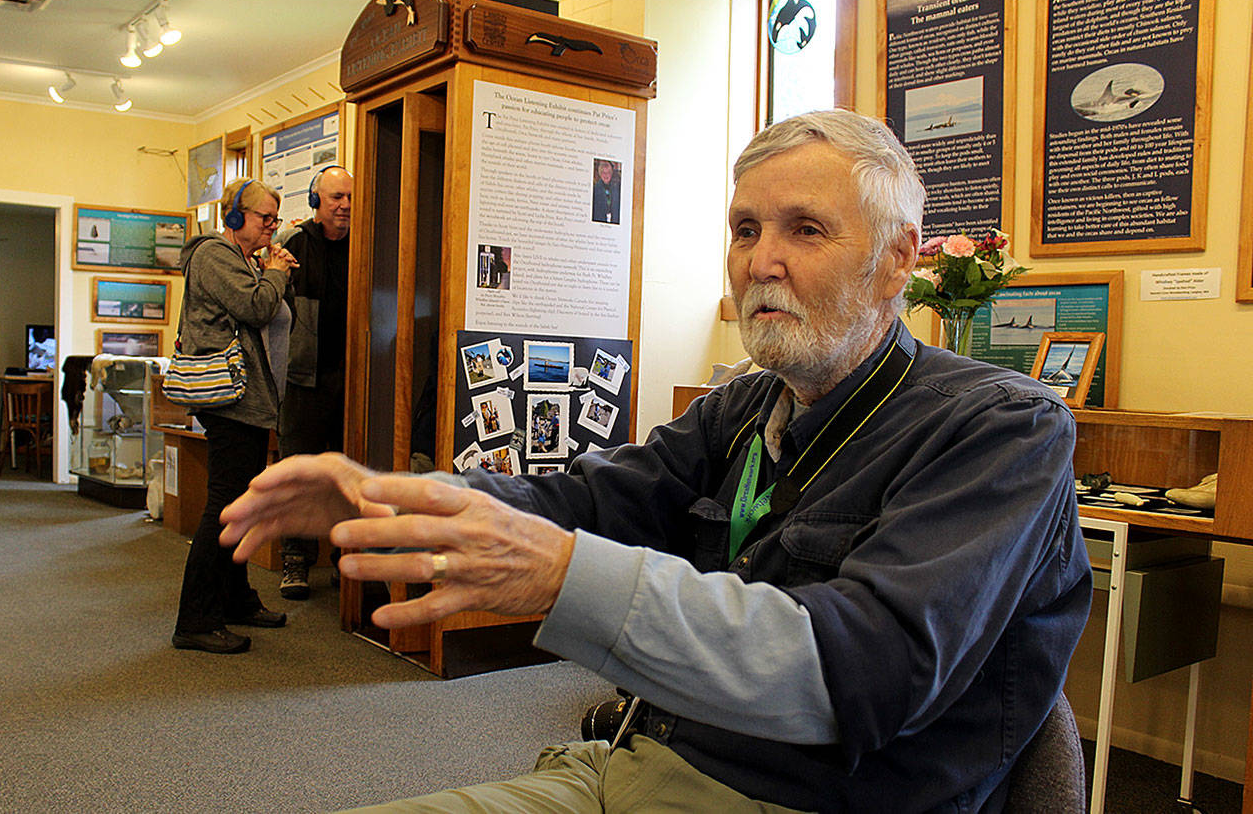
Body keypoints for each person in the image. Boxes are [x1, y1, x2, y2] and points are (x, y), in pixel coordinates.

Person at [218, 110, 1092, 810]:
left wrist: (563, 578)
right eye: (745, 228)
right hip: (630, 767)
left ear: (898, 259)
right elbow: (583, 500)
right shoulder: (750, 403)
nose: (762, 261)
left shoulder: (1004, 430)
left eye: (806, 230)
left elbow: (861, 670)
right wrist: (396, 496)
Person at [172, 178, 297, 654]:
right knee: (224, 508)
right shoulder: (215, 256)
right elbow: (257, 305)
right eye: (265, 218)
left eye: (274, 220)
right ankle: (196, 620)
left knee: (238, 507)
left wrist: (269, 268)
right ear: (233, 218)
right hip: (232, 403)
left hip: (246, 402)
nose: (272, 227)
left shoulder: (242, 259)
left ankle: (237, 600)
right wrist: (276, 272)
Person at [276, 165, 353, 600]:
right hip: (302, 379)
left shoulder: (367, 245)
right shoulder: (294, 244)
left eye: (349, 198)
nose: (343, 206)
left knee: (347, 476)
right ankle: (295, 561)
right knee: (299, 476)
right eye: (335, 197)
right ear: (315, 201)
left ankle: (346, 560)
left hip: (353, 378)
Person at [592, 158, 620, 224]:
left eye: (608, 172)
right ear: (600, 174)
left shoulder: (617, 187)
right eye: (603, 172)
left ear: (611, 173)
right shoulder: (595, 189)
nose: (606, 175)